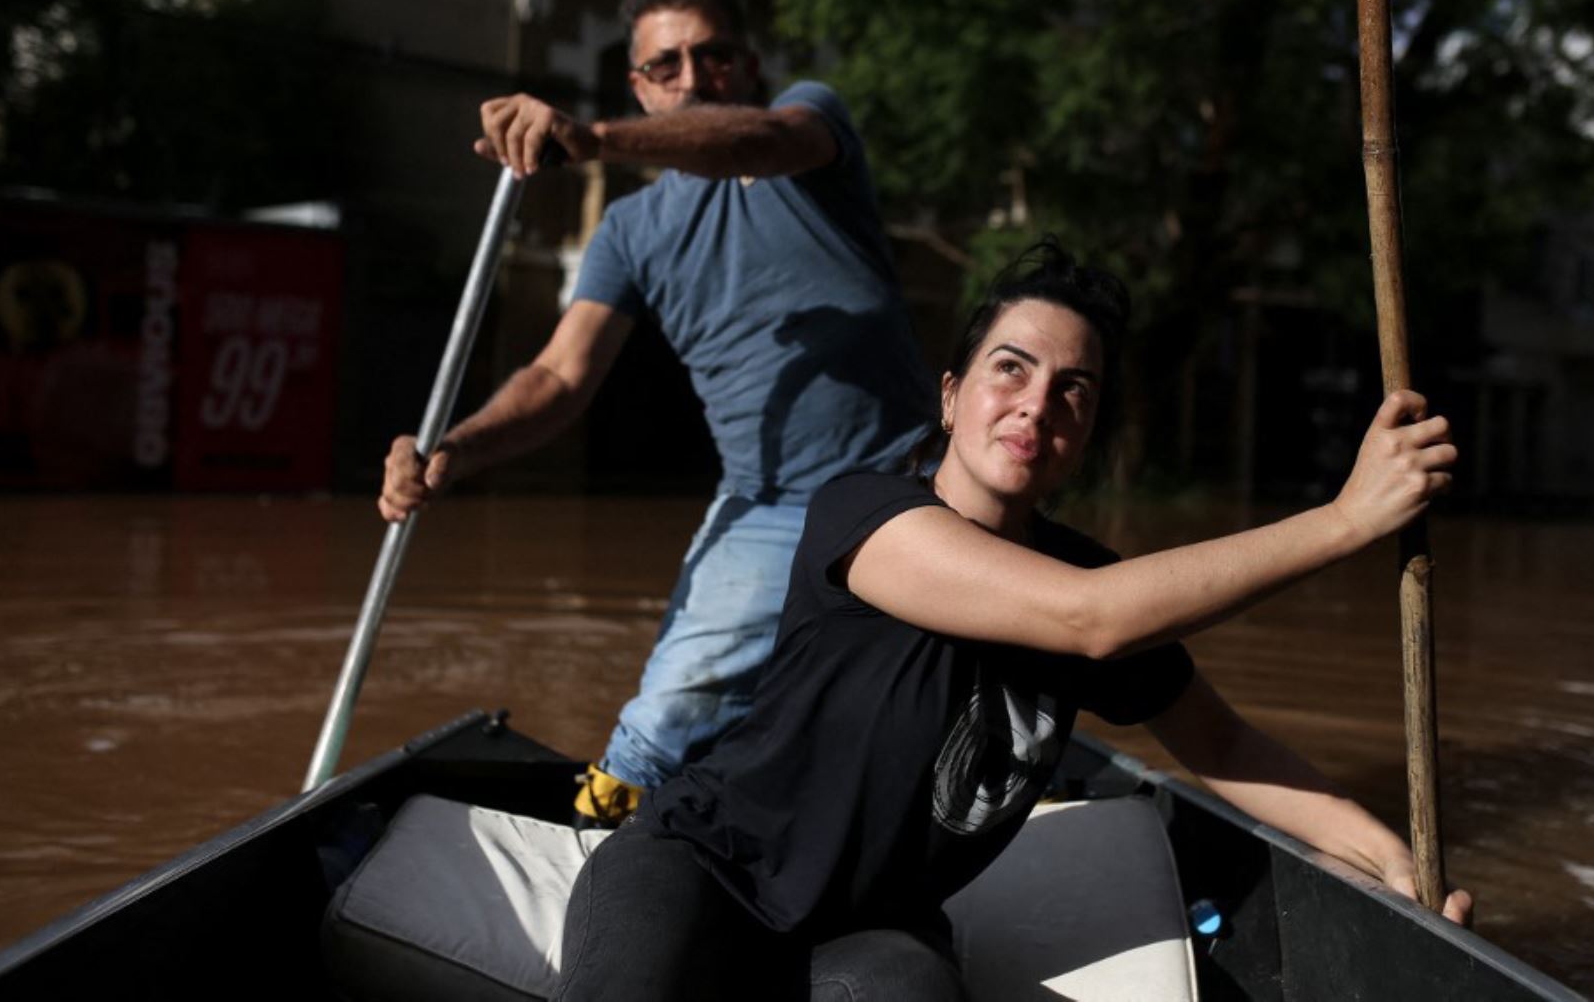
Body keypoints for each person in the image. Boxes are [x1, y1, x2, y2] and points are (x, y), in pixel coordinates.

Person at [553, 241, 1472, 1001]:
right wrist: (1347, 521)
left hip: (870, 929)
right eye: (1012, 368)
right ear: (951, 397)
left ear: (1087, 434)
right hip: (705, 868)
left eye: (1074, 388)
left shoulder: (1087, 575)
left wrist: (1391, 861)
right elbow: (1088, 621)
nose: (1038, 403)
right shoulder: (863, 514)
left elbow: (1223, 743)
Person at [378, 0, 934, 824]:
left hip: (912, 480)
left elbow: (759, 140)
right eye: (665, 65)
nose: (690, 78)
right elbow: (559, 378)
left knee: (968, 688)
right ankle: (609, 858)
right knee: (661, 728)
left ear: (748, 67)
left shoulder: (803, 132)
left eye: (712, 57)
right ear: (639, 84)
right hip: (768, 504)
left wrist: (595, 139)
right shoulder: (630, 234)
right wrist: (454, 449)